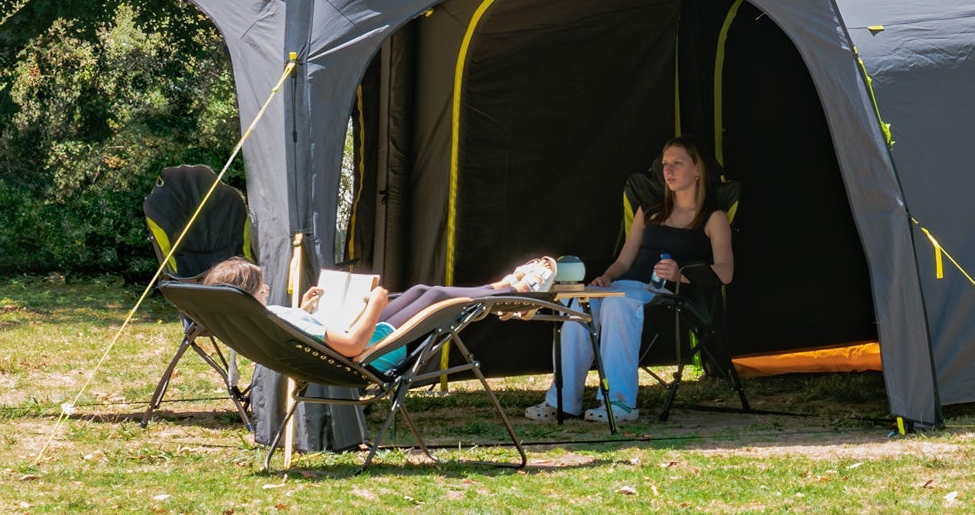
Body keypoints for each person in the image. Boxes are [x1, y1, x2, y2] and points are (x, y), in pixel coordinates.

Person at [532, 137, 736, 423]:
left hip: (662, 292)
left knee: (618, 304)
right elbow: (624, 261)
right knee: (575, 301)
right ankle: (563, 401)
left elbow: (725, 272)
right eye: (665, 164)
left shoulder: (712, 218)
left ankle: (619, 404)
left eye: (678, 163)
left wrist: (681, 275)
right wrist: (606, 277)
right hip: (625, 285)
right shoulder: (650, 211)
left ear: (697, 170)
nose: (669, 170)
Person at [199, 255, 551, 371]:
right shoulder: (275, 317)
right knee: (439, 297)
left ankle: (501, 290)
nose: (266, 291)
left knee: (420, 292)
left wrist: (306, 310)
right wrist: (375, 306)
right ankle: (516, 293)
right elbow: (351, 345)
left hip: (361, 343)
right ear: (249, 295)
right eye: (261, 288)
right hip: (374, 352)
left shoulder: (259, 318)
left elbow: (297, 329)